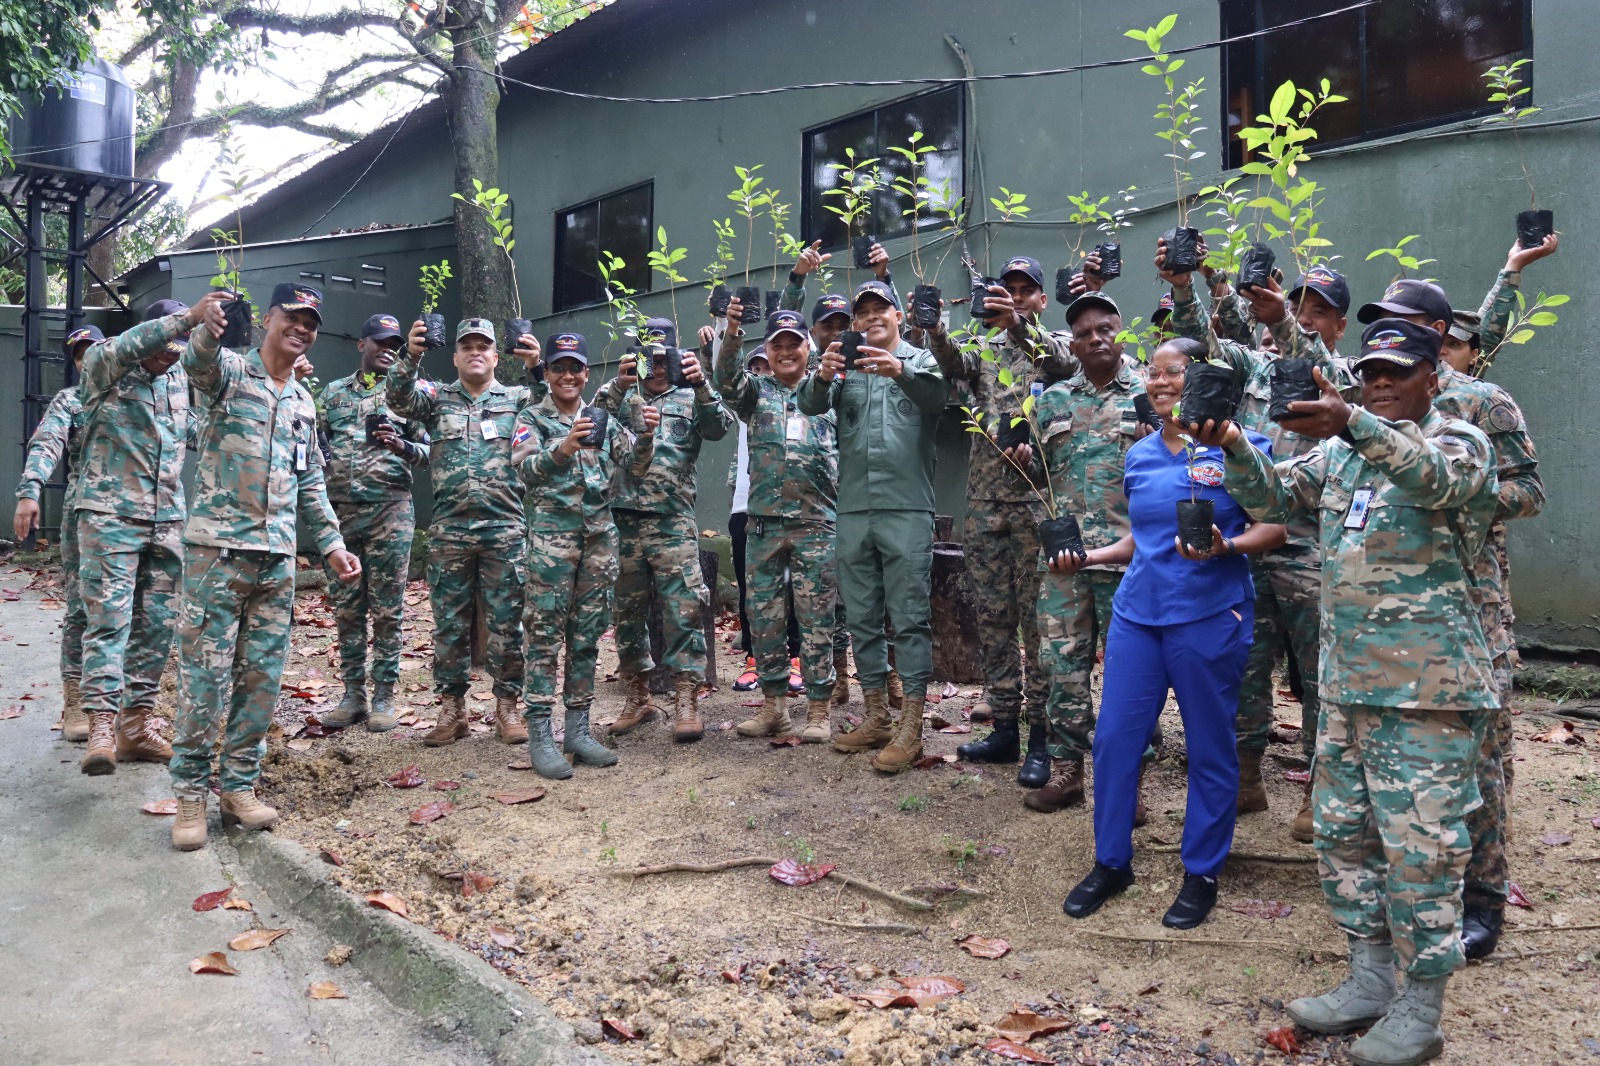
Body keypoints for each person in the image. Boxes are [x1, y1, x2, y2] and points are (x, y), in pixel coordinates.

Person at [1215, 319, 1497, 1065]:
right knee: (1344, 838)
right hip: (1346, 688)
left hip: (1427, 691)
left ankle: (1421, 1008)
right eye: (1370, 370)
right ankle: (1370, 978)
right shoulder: (1341, 454)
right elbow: (1276, 498)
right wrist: (1234, 446)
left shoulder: (1459, 440)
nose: (1379, 380)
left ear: (1432, 377)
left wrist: (1355, 420)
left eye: (1397, 371)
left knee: (1422, 851)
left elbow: (1441, 481)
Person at [1058, 336, 1284, 930]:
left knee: (1210, 745)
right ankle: (1112, 862)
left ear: (1203, 379)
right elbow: (1140, 540)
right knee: (1113, 741)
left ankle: (1202, 871)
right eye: (1152, 374)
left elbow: (1275, 528)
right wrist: (1088, 558)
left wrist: (1225, 546)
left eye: (1174, 372)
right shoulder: (1141, 454)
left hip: (1210, 615)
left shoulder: (1244, 449)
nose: (1160, 383)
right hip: (1138, 614)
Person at [1354, 278, 1546, 962]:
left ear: (1439, 332)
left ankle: (1484, 898)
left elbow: (1530, 490)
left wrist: (1460, 493)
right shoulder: (1370, 401)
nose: (1389, 334)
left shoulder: (1483, 402)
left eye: (1405, 322)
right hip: (1392, 618)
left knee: (1482, 763)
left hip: (1472, 610)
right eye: (1380, 322)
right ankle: (1401, 887)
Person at [1163, 249, 1354, 837]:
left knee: (1319, 675)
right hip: (1245, 542)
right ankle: (1245, 778)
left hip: (1309, 547)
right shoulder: (1256, 368)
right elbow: (1206, 349)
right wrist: (1185, 285)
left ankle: (1319, 789)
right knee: (1244, 665)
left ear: (1340, 325)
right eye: (1300, 306)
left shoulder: (1345, 379)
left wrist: (1281, 321)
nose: (1306, 317)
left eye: (1320, 312)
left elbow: (1311, 357)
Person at [169, 284, 361, 850]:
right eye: (292, 318)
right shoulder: (227, 373)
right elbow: (197, 360)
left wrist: (330, 544)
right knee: (204, 681)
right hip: (216, 555)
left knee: (261, 681)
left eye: (311, 322)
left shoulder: (302, 401)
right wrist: (204, 323)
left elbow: (309, 479)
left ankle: (239, 787)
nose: (301, 328)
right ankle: (188, 798)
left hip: (275, 561)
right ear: (270, 319)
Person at [922, 255, 1076, 781]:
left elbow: (1064, 365)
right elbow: (950, 365)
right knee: (992, 618)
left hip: (1038, 504)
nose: (1013, 296)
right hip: (986, 503)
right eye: (1005, 290)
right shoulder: (982, 348)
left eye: (1023, 289)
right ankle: (1005, 727)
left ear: (1040, 297)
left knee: (1039, 623)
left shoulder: (1052, 343)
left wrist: (1019, 324)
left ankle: (1041, 735)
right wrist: (935, 326)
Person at [798, 280, 949, 772]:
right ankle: (877, 716)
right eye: (861, 312)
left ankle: (912, 728)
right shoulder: (845, 367)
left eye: (880, 309)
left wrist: (899, 370)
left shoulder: (921, 360)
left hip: (906, 509)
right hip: (854, 510)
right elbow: (808, 404)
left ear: (899, 316)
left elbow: (937, 398)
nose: (870, 318)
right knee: (862, 617)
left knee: (909, 618)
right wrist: (822, 375)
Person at [1018, 291, 1144, 813]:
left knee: (1128, 674)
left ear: (1120, 331)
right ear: (1071, 343)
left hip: (1127, 560)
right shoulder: (1051, 401)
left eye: (1104, 328)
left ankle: (1126, 782)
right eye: (1085, 332)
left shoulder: (1146, 395)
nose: (1095, 338)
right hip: (1064, 564)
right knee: (1062, 667)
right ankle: (1067, 771)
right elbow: (1035, 479)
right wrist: (1045, 528)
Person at [511, 333, 655, 778]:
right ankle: (540, 734)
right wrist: (564, 447)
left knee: (587, 634)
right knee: (544, 636)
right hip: (552, 543)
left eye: (576, 368)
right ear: (548, 373)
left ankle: (577, 729)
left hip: (598, 541)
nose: (568, 376)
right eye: (558, 368)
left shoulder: (602, 420)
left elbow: (635, 466)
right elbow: (524, 470)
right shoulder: (530, 417)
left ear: (586, 373)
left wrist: (647, 435)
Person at [387, 318, 532, 747]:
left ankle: (507, 706)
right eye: (466, 345)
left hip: (504, 528)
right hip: (450, 531)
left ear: (495, 354)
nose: (475, 352)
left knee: (507, 623)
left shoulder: (517, 398)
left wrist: (537, 365)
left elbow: (553, 403)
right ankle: (453, 709)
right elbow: (397, 398)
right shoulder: (436, 398)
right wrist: (410, 355)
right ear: (454, 356)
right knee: (448, 625)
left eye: (483, 346)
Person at [73, 301, 200, 775]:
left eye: (180, 347)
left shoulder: (179, 382)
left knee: (156, 628)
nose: (172, 353)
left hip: (167, 519)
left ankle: (135, 726)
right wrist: (186, 320)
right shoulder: (105, 367)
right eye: (167, 342)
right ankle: (101, 727)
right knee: (108, 622)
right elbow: (125, 346)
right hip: (110, 515)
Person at [596, 317, 731, 741]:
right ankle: (638, 697)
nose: (656, 366)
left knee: (683, 609)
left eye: (663, 357)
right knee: (627, 612)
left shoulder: (691, 394)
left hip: (672, 518)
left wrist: (702, 384)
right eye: (648, 357)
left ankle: (686, 699)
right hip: (623, 518)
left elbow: (720, 427)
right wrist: (619, 385)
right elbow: (589, 423)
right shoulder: (622, 394)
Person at [717, 304, 839, 742]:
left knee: (816, 618)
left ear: (809, 347)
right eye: (777, 345)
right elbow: (725, 379)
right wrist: (731, 331)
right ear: (766, 351)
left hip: (817, 523)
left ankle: (820, 710)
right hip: (763, 523)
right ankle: (774, 708)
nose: (786, 352)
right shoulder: (755, 392)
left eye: (794, 344)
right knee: (764, 616)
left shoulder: (828, 390)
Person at [317, 314, 431, 732]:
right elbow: (316, 445)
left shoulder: (408, 395)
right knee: (348, 607)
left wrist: (402, 445)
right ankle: (353, 694)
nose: (387, 348)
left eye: (394, 343)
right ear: (360, 344)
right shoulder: (331, 394)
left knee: (387, 608)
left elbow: (431, 450)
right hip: (342, 513)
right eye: (380, 341)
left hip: (391, 511)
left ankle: (384, 695)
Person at [14, 326, 97, 741]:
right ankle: (76, 700)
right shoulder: (72, 399)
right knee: (81, 607)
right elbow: (47, 442)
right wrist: (31, 489)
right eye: (79, 354)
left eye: (92, 350)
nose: (86, 359)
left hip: (140, 520)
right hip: (85, 515)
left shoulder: (139, 394)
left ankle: (128, 711)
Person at [726, 345, 806, 698]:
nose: (762, 374)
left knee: (795, 590)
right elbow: (724, 376)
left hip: (793, 509)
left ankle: (796, 658)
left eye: (766, 368)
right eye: (754, 368)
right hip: (747, 507)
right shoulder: (748, 403)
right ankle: (754, 658)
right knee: (751, 591)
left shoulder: (799, 398)